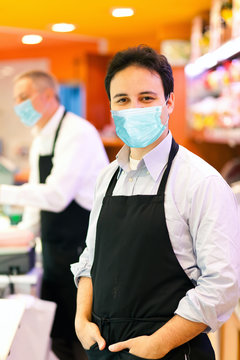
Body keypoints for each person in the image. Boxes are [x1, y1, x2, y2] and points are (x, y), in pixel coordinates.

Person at [71, 45, 240, 360]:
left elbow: (222, 286)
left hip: (171, 353)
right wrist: (82, 320)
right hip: (105, 351)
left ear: (170, 102)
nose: (134, 108)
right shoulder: (106, 178)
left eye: (146, 98)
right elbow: (90, 260)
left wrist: (158, 344)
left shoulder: (200, 182)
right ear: (111, 108)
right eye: (123, 100)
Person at [0, 70, 109, 360]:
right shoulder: (40, 136)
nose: (18, 105)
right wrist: (21, 237)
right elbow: (38, 200)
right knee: (58, 335)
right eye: (15, 99)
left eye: (23, 97)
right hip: (53, 250)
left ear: (48, 95)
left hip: (82, 249)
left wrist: (4, 192)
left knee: (85, 339)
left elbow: (57, 196)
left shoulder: (77, 132)